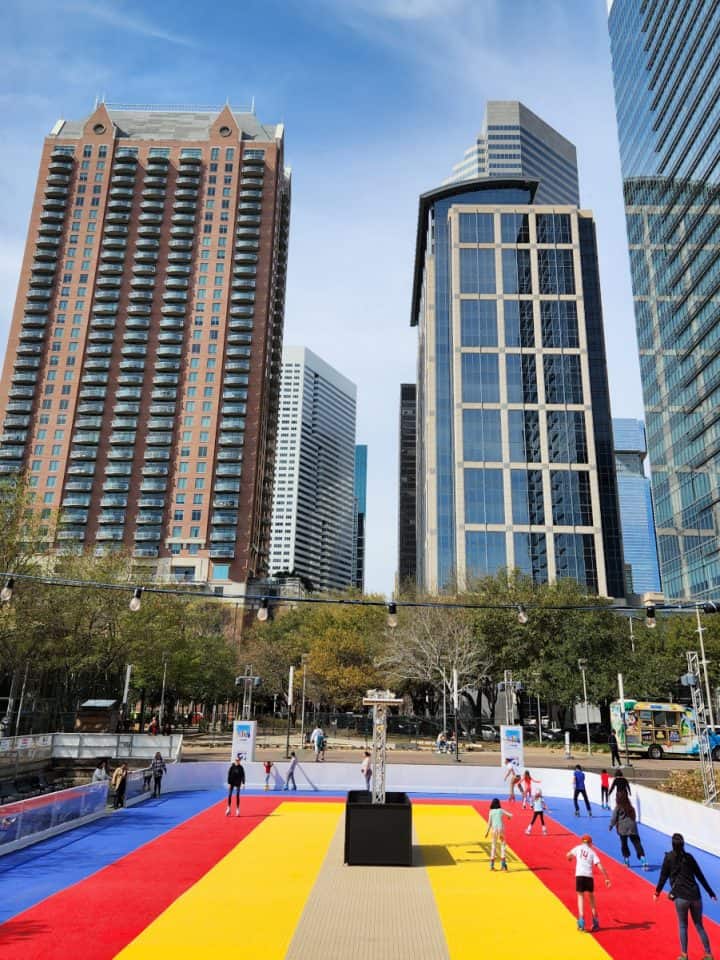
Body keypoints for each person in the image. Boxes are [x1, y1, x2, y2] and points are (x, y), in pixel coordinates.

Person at [654, 832, 717, 960]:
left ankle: (684, 955)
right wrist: (710, 893)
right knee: (699, 925)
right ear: (683, 844)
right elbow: (700, 876)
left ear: (672, 844)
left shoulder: (669, 858)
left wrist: (657, 892)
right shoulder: (689, 858)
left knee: (683, 925)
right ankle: (708, 954)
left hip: (681, 897)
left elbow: (663, 877)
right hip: (695, 895)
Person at [566, 834, 611, 932]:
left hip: (579, 875)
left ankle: (581, 921)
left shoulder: (578, 848)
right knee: (591, 898)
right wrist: (606, 878)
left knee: (580, 896)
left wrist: (569, 858)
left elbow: (568, 855)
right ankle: (595, 921)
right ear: (590, 843)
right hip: (589, 876)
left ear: (582, 842)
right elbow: (599, 865)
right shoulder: (592, 852)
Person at [609, 795, 647, 868]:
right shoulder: (631, 807)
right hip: (632, 827)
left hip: (622, 828)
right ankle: (643, 860)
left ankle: (626, 861)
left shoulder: (618, 808)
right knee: (637, 843)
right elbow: (634, 817)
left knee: (624, 844)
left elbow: (614, 818)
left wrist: (611, 826)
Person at [485, 798, 512, 871]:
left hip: (494, 831)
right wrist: (509, 817)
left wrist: (486, 832)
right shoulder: (501, 810)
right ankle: (503, 864)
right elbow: (510, 815)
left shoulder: (491, 812)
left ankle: (492, 865)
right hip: (501, 830)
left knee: (493, 846)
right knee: (503, 845)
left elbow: (489, 823)